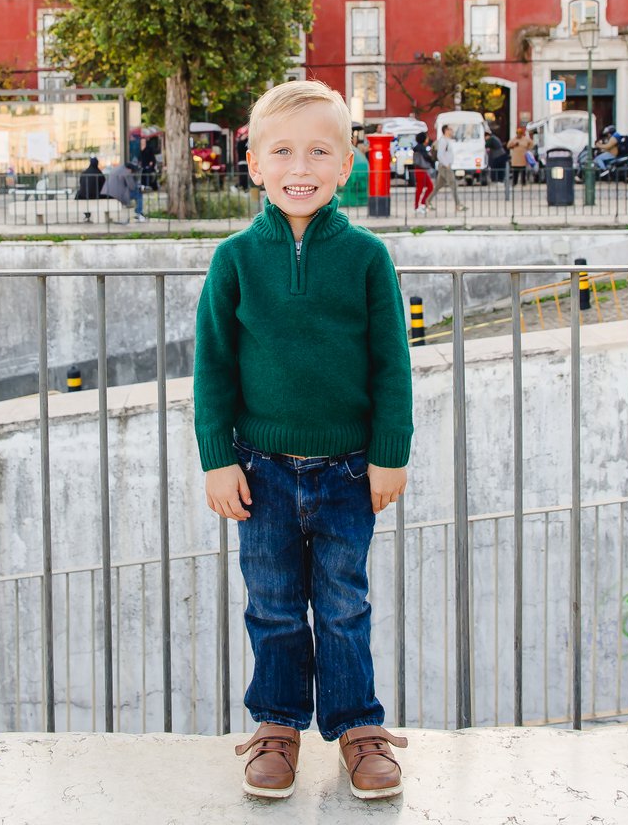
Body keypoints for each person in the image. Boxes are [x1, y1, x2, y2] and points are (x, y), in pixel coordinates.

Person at [194, 78, 412, 800]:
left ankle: (357, 728)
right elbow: (213, 369)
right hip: (261, 471)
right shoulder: (233, 260)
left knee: (345, 603)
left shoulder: (367, 258)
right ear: (252, 163)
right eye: (282, 150)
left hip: (350, 470)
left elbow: (392, 364)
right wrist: (218, 460)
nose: (301, 166)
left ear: (346, 165)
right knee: (275, 604)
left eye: (319, 151)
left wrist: (391, 451)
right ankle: (276, 725)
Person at [409, 131, 436, 214]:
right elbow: (428, 158)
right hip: (420, 170)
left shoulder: (419, 147)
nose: (428, 139)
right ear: (424, 139)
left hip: (421, 170)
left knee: (427, 187)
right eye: (427, 137)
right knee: (423, 188)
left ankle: (421, 204)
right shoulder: (421, 148)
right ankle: (419, 206)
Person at [75, 154, 106, 222]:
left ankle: (87, 213)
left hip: (84, 196)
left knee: (78, 195)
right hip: (96, 196)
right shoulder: (99, 173)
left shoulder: (84, 172)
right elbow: (103, 185)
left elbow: (81, 184)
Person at [507, 124, 531, 189]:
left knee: (523, 171)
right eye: (518, 133)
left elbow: (531, 144)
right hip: (515, 158)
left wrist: (528, 149)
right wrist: (514, 145)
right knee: (515, 171)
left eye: (520, 133)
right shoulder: (513, 140)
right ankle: (514, 182)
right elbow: (508, 146)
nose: (518, 135)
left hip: (523, 157)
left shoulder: (526, 139)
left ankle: (523, 182)